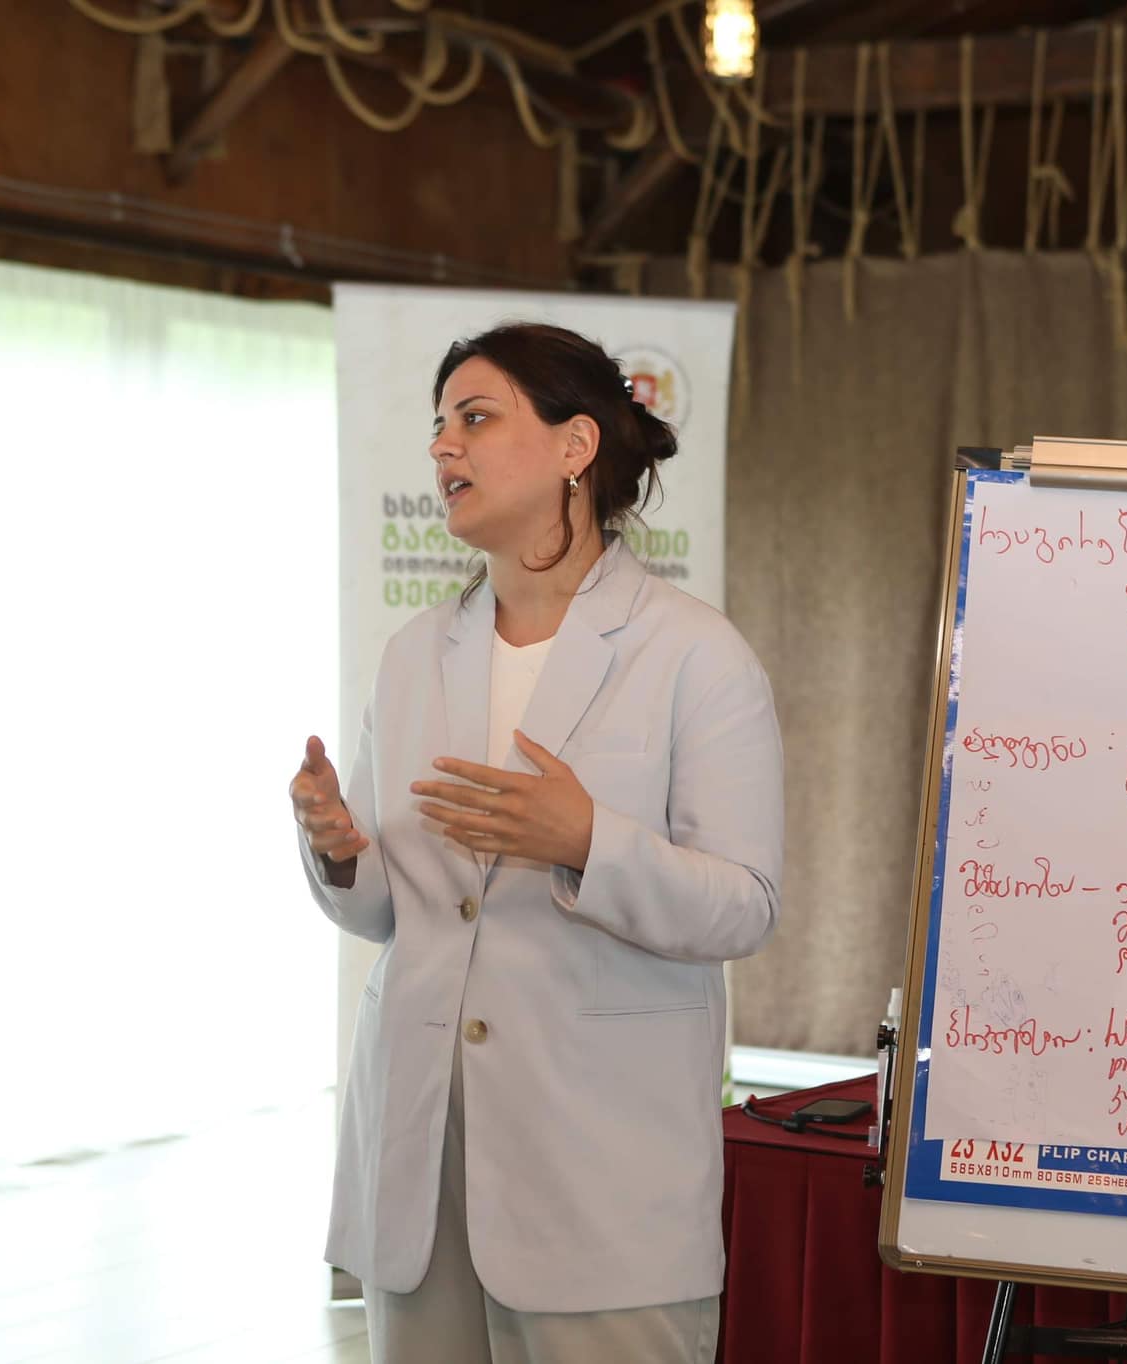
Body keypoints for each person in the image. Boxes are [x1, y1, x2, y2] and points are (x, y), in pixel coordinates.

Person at [288, 322, 783, 1364]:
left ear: (574, 445)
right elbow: (389, 912)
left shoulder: (694, 653)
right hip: (421, 1166)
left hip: (598, 1174)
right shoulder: (414, 653)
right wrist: (338, 849)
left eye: (475, 418)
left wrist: (587, 840)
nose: (443, 446)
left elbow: (744, 903)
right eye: (438, 425)